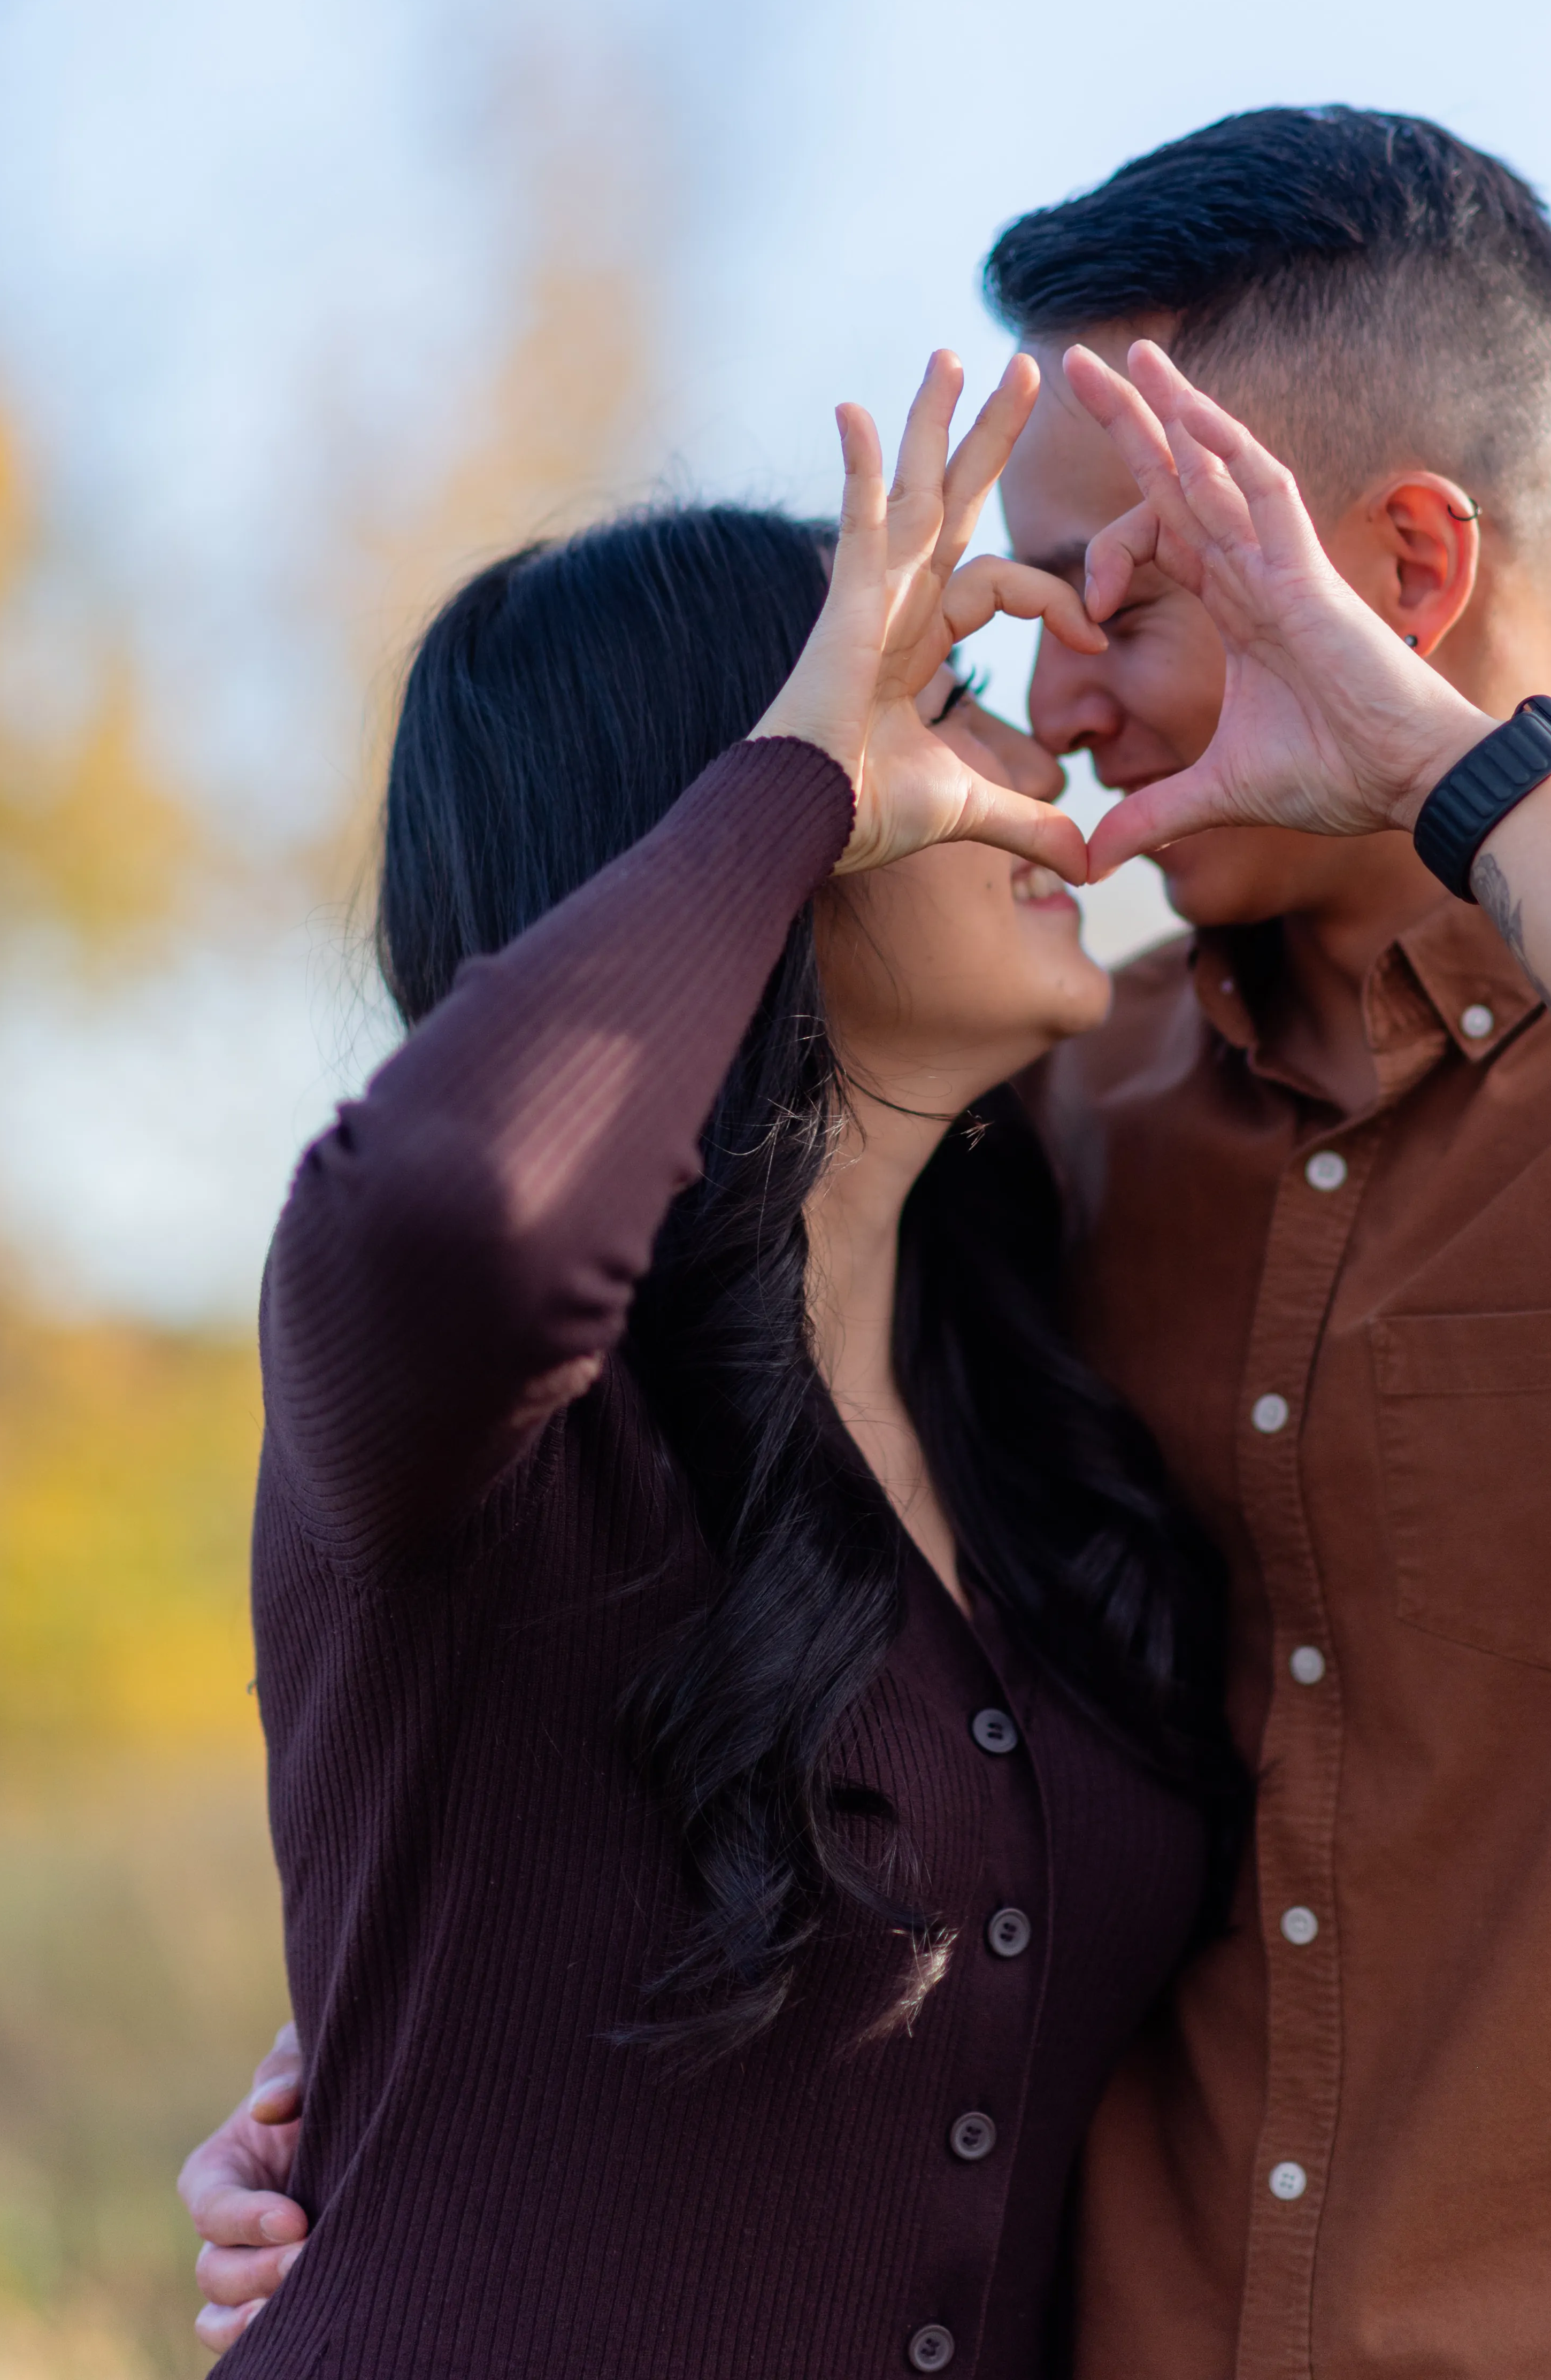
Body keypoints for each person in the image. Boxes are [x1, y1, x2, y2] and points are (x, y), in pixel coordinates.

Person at [187, 109, 1551, 2377]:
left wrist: (1458, 779)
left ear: (1409, 573)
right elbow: (548, 1497)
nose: (1056, 720)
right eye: (993, 656)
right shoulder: (1062, 1114)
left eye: (1121, 598)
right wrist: (422, 2080)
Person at [180, 348, 1239, 2378]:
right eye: (931, 712)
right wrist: (806, 773)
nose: (1035, 763)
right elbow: (463, 1203)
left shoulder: (1028, 1410)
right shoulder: (479, 1432)